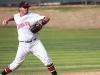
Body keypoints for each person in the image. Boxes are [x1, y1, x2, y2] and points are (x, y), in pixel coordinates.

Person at [0, 1, 58, 75]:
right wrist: (7, 20)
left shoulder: (33, 15)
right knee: (15, 65)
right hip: (23, 45)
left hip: (35, 43)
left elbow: (47, 18)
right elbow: (13, 17)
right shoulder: (17, 16)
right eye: (24, 7)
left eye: (27, 7)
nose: (26, 8)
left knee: (47, 59)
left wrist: (41, 23)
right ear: (19, 8)